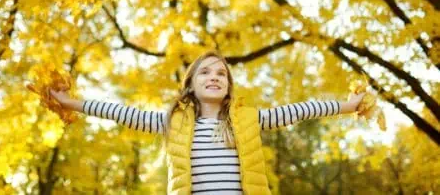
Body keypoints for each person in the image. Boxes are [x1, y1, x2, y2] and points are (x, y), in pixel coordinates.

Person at [49, 51, 365, 195]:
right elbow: (119, 112)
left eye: (221, 73)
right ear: (190, 85)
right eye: (205, 72)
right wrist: (70, 103)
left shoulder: (249, 121)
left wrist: (347, 106)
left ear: (228, 85)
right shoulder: (171, 123)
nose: (214, 77)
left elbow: (301, 110)